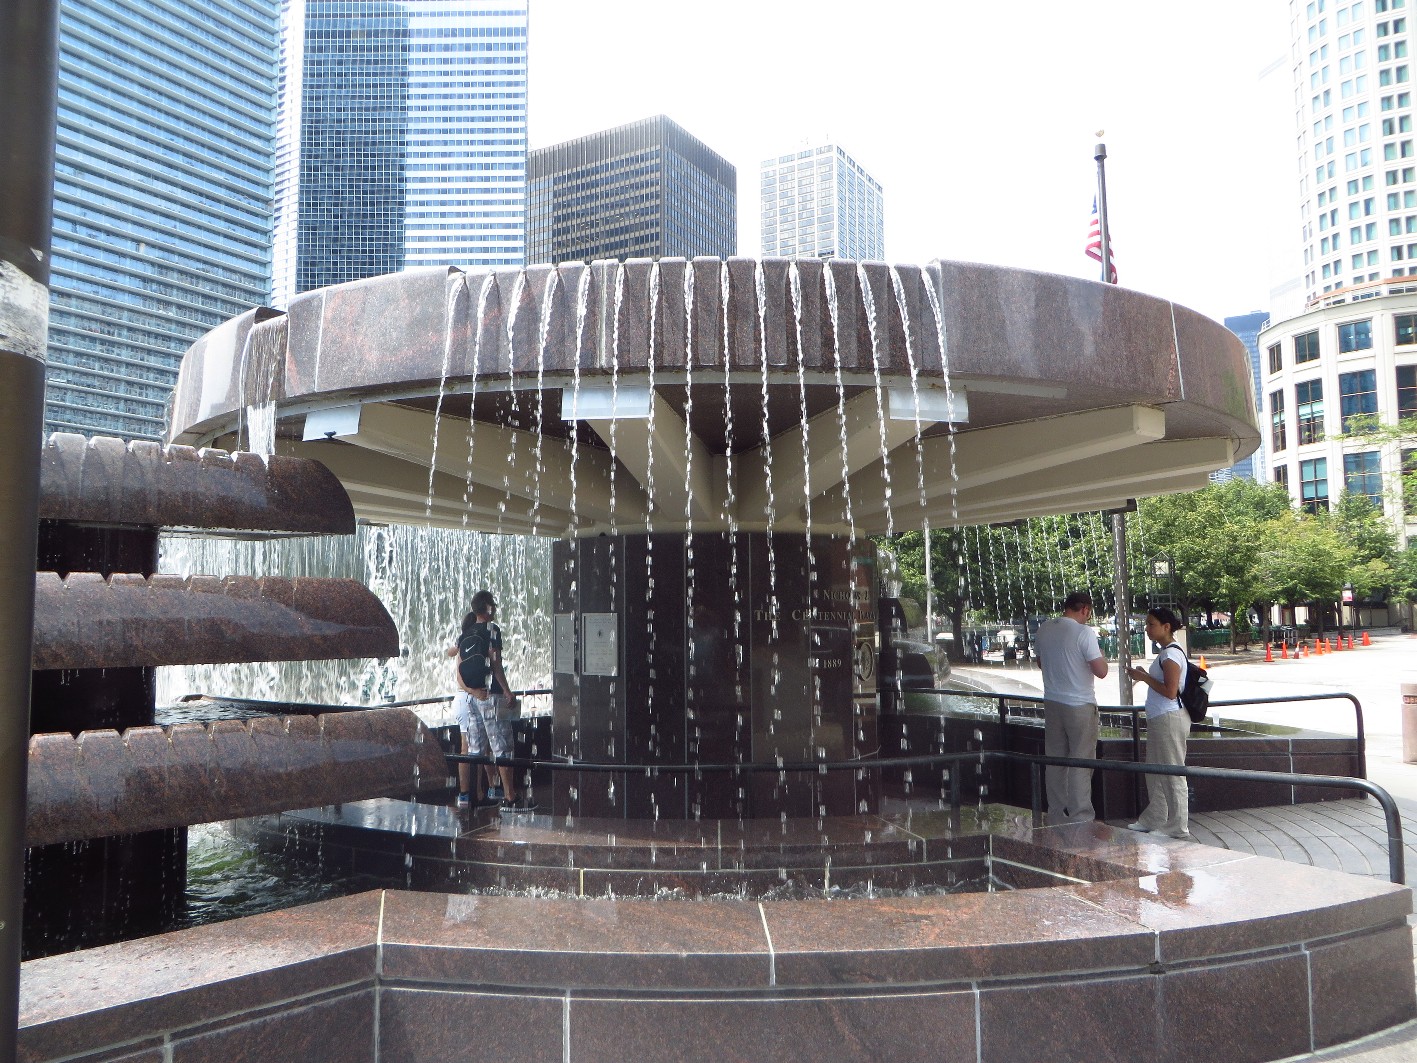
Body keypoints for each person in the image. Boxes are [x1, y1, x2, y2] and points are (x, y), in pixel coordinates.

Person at [447, 590, 533, 813]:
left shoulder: (466, 634)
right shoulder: (492, 630)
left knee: (476, 748)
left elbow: (456, 662)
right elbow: (496, 664)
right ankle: (510, 798)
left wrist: (472, 692)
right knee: (503, 746)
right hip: (491, 696)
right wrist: (507, 691)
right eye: (492, 605)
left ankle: (476, 798)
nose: (494, 608)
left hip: (472, 697)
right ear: (487, 608)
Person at [1035, 591, 1109, 825]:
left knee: (1055, 759)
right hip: (1079, 704)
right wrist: (1102, 656)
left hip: (1052, 702)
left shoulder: (1045, 628)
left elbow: (1040, 662)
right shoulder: (1083, 632)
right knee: (1081, 760)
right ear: (1085, 609)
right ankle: (1081, 815)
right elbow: (1102, 671)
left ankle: (1056, 812)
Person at [1126, 606, 1192, 840]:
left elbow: (1171, 691)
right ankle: (1154, 818)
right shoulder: (1166, 652)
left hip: (1169, 718)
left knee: (1172, 772)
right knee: (1154, 771)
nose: (1147, 628)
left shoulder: (1171, 654)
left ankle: (1178, 826)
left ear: (1166, 627)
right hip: (1160, 718)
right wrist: (1146, 676)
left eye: (1151, 624)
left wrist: (1143, 677)